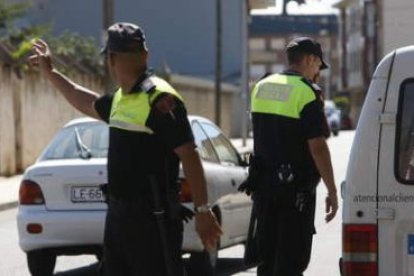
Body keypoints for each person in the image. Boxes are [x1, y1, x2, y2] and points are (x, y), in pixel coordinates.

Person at [29, 22, 222, 276]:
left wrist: (202, 211)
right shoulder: (123, 98)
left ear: (111, 59)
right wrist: (51, 73)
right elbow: (84, 100)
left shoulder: (159, 98)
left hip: (153, 219)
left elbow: (189, 153)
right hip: (120, 218)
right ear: (146, 55)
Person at [240, 37, 338, 276]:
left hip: (264, 187)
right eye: (318, 66)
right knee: (291, 260)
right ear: (310, 59)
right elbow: (318, 146)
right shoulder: (306, 92)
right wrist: (332, 190)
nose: (318, 73)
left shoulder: (261, 86)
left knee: (267, 258)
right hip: (295, 192)